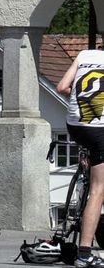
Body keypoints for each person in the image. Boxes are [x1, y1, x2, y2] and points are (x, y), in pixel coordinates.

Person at [57, 47, 104, 268]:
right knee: (98, 190)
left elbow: (62, 87)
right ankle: (85, 253)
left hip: (75, 125)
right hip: (99, 129)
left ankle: (88, 166)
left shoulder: (84, 55)